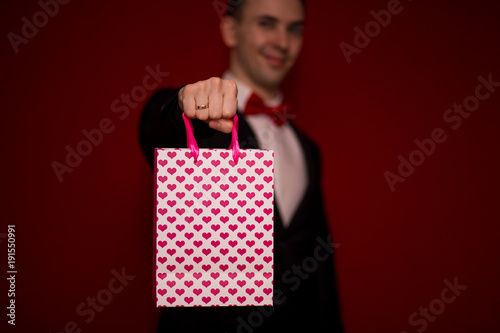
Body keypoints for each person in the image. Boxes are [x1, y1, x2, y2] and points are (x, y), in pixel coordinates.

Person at [139, 0, 344, 331]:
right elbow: (155, 124)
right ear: (231, 29)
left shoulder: (309, 149)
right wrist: (183, 104)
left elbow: (321, 271)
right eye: (266, 23)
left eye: (294, 29)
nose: (282, 41)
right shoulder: (198, 120)